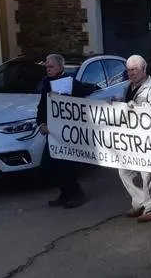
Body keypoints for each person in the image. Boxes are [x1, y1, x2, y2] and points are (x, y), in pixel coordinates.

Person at [36, 53, 99, 209]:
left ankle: (76, 193)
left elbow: (88, 91)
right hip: (52, 132)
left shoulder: (70, 83)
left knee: (65, 165)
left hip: (67, 132)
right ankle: (65, 193)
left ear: (60, 67)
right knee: (51, 165)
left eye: (51, 67)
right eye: (47, 66)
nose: (48, 69)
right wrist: (41, 123)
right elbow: (42, 107)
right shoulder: (46, 83)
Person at [118, 55, 151, 223]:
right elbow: (122, 105)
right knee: (124, 171)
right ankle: (139, 202)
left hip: (148, 138)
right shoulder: (127, 87)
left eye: (135, 69)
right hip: (130, 137)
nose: (131, 73)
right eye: (129, 70)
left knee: (148, 173)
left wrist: (138, 107)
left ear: (144, 70)